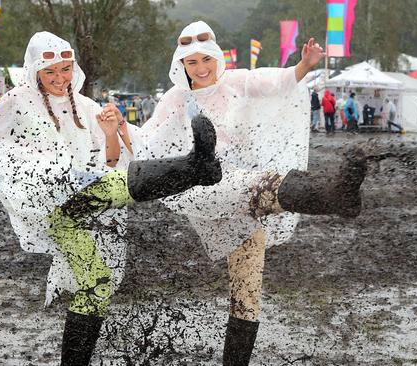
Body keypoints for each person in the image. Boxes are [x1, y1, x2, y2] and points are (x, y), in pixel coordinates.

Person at [0, 32, 223, 365]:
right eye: (51, 72)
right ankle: (196, 168)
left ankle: (73, 362)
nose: (59, 78)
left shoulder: (84, 105)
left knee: (97, 285)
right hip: (45, 201)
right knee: (106, 190)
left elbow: (110, 160)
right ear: (35, 72)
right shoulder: (18, 100)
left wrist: (110, 133)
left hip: (78, 201)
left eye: (65, 69)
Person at [116, 21, 377, 365]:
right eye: (191, 62)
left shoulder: (236, 83)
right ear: (181, 65)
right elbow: (147, 140)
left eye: (205, 59)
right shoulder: (176, 99)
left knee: (246, 292)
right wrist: (118, 127)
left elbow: (272, 83)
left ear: (215, 57)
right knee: (261, 183)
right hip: (204, 190)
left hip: (248, 196)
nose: (201, 68)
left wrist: (304, 66)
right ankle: (332, 195)